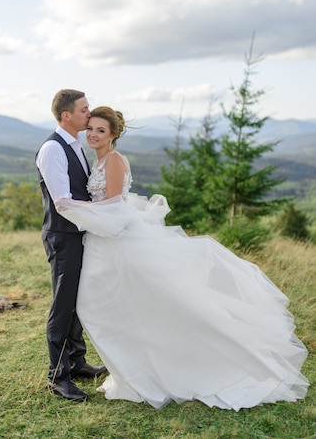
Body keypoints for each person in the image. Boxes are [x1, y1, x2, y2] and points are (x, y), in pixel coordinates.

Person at [55, 106, 309, 410]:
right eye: (91, 129)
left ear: (113, 135)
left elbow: (114, 206)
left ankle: (158, 370)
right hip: (103, 242)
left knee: (131, 305)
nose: (93, 135)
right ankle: (133, 370)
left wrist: (74, 210)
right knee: (113, 306)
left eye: (101, 131)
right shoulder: (96, 159)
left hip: (119, 242)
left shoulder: (113, 161)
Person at [35, 90, 106, 402]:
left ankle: (76, 362)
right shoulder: (53, 148)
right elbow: (62, 202)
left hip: (78, 234)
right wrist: (99, 219)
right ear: (66, 115)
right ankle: (57, 375)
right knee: (63, 304)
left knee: (78, 300)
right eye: (84, 109)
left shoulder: (75, 145)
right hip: (64, 236)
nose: (88, 114)